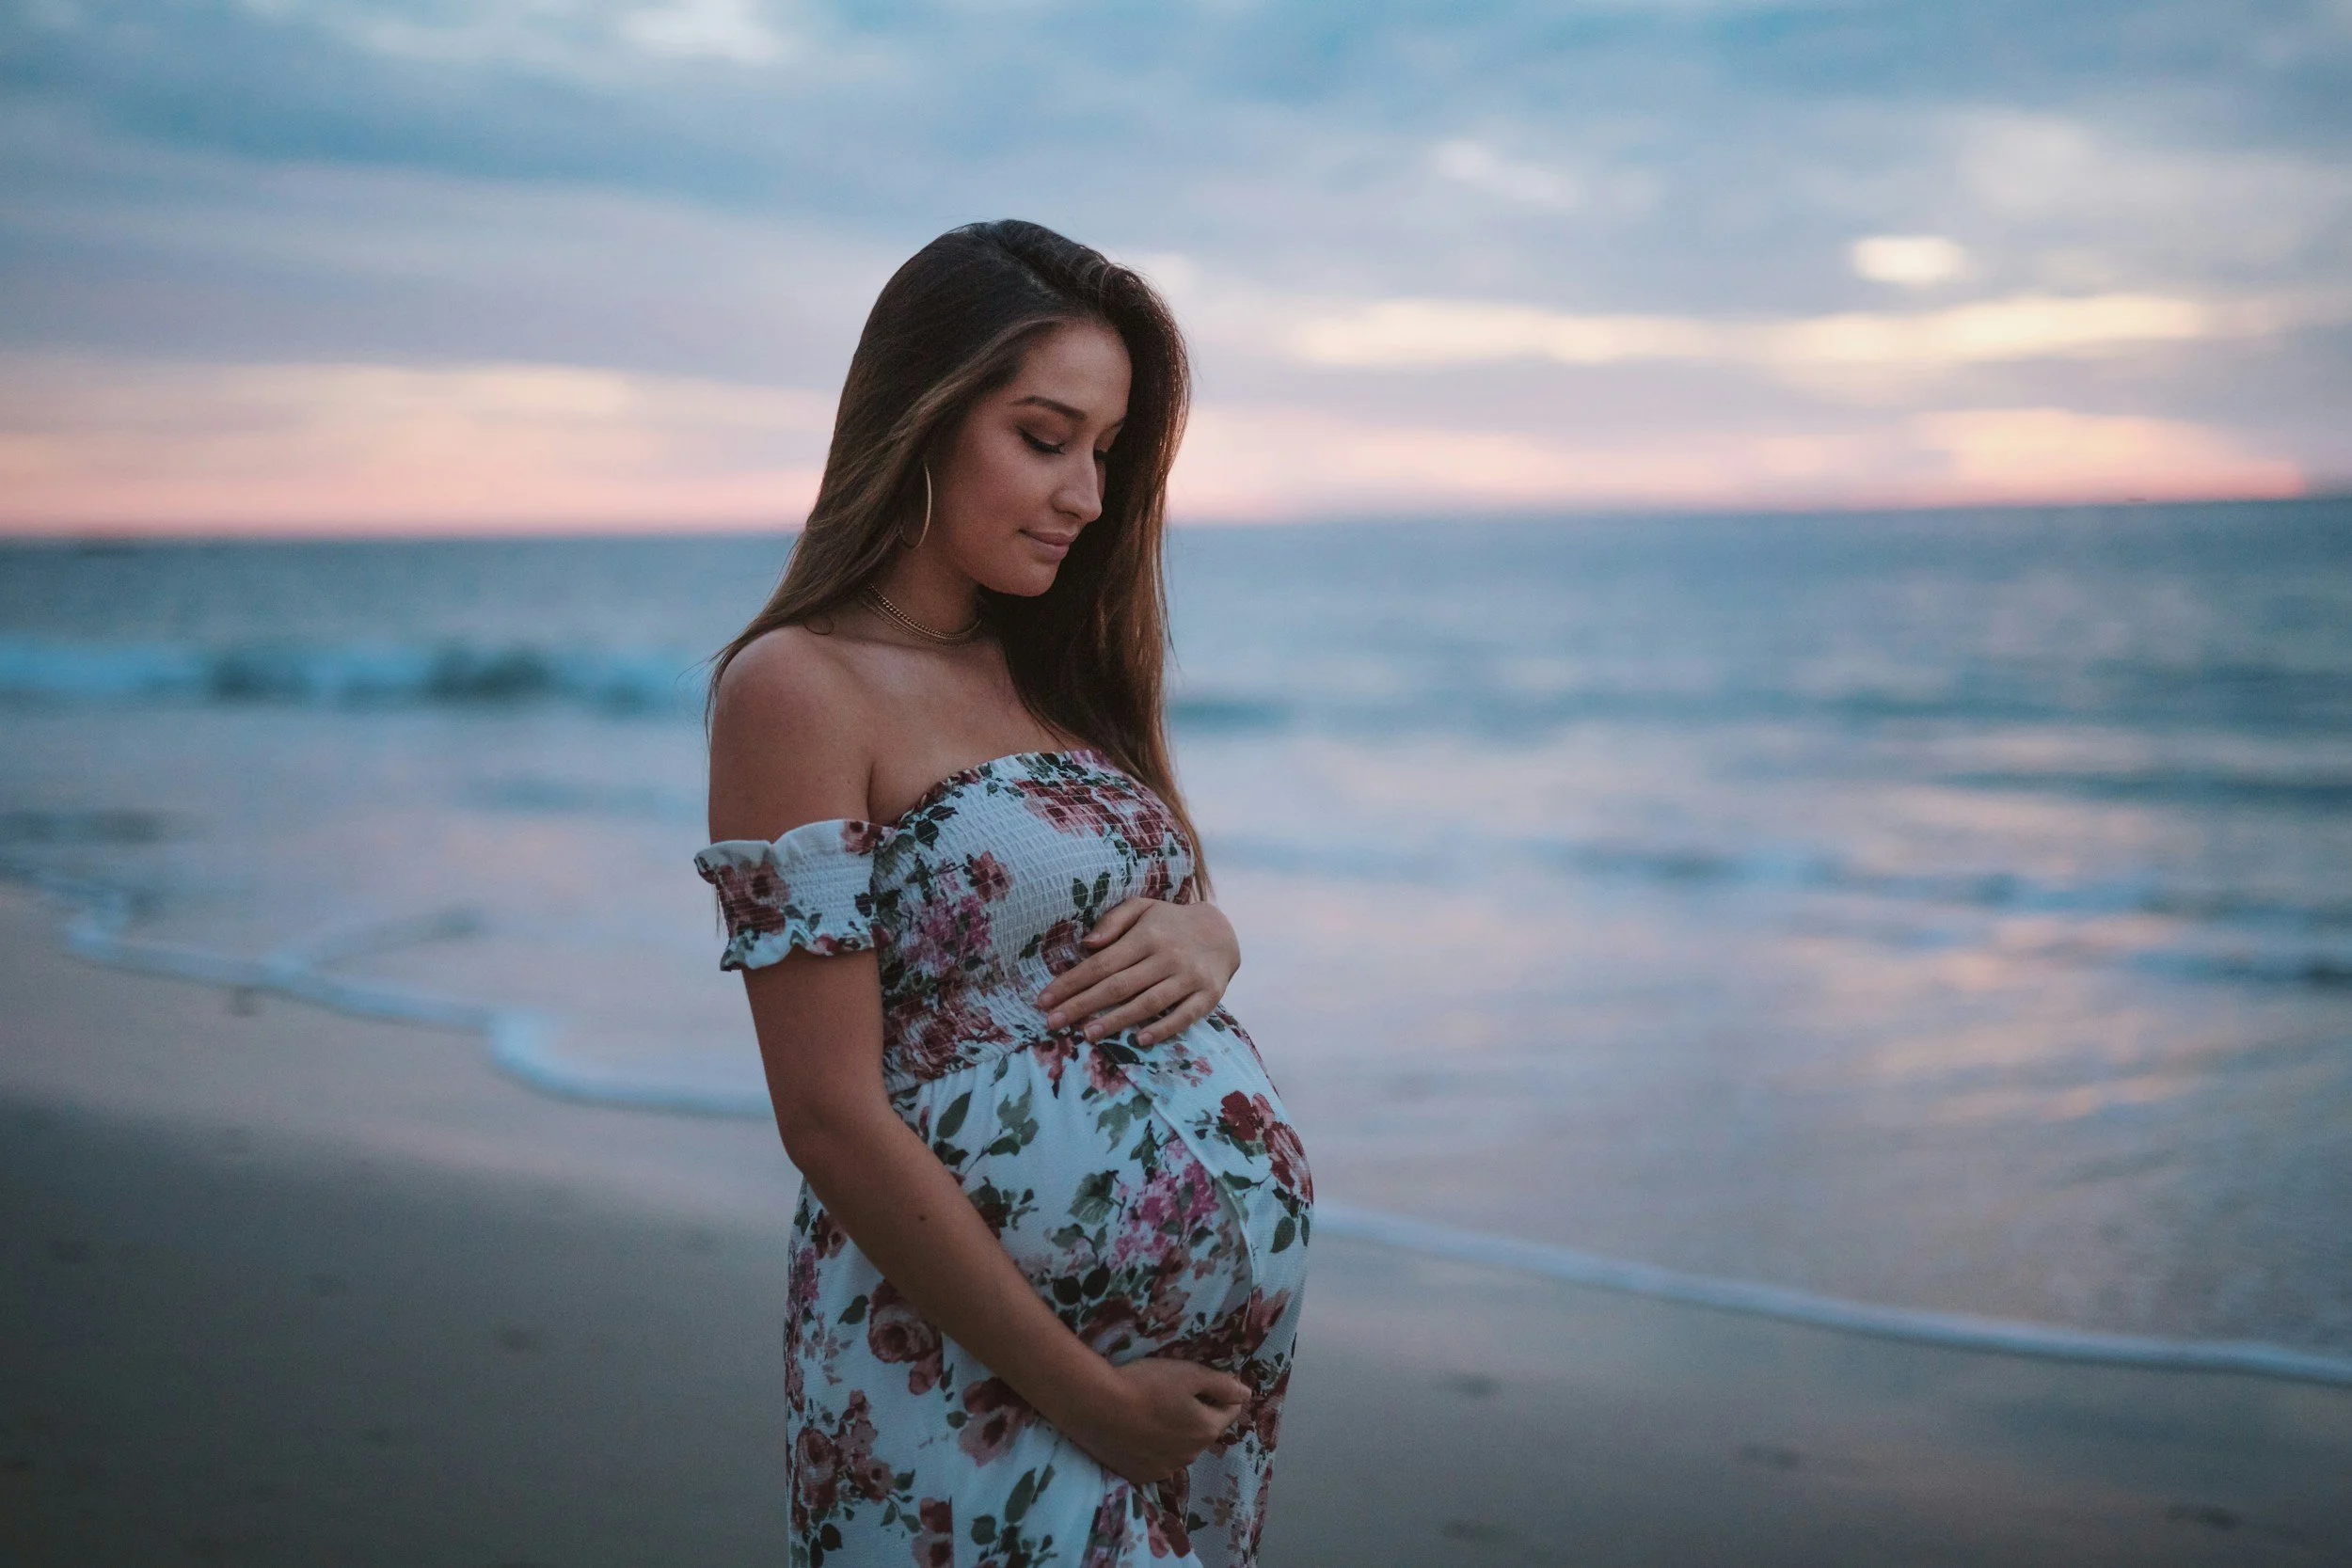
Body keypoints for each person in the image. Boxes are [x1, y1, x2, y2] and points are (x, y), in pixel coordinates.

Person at [696, 220, 1312, 1568]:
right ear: (919, 416)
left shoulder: (1054, 670)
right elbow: (827, 1113)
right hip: (967, 1382)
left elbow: (1123, 910)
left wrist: (1213, 930)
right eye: (1045, 437)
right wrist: (1089, 1395)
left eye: (1106, 451)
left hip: (1174, 1402)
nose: (1086, 495)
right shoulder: (801, 686)